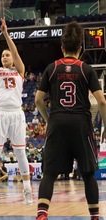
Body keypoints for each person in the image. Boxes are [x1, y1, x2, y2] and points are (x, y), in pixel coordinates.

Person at [34, 21, 106, 220]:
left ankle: (42, 214)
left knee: (49, 173)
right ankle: (94, 217)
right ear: (80, 49)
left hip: (57, 121)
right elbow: (101, 101)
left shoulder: (51, 68)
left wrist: (49, 119)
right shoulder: (86, 69)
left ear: (62, 48)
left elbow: (38, 100)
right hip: (81, 122)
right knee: (88, 173)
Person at [0, 18, 32, 206]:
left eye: (6, 55)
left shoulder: (20, 70)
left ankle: (27, 189)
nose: (4, 57)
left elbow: (16, 53)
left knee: (21, 154)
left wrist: (6, 33)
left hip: (16, 113)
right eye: (2, 55)